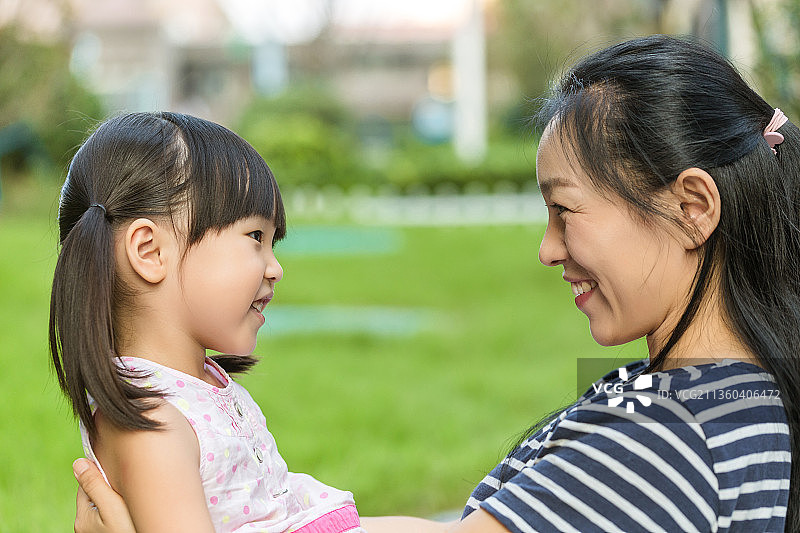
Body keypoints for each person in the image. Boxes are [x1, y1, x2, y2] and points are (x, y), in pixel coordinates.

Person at [72, 34, 799, 532]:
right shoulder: (728, 397)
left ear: (692, 207)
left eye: (564, 211)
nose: (548, 249)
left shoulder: (670, 437)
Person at [51, 112, 365, 533]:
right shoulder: (152, 428)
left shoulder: (198, 390)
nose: (275, 268)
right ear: (149, 251)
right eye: (255, 237)